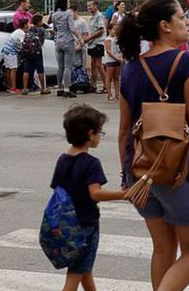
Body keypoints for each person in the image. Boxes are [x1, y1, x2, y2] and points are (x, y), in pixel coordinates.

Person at [117, 0, 189, 291]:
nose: (187, 22)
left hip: (141, 171)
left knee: (163, 249)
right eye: (181, 17)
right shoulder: (185, 61)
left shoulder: (130, 68)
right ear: (164, 26)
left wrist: (127, 176)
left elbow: (123, 131)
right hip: (180, 169)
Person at [51, 105, 126, 291]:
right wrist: (125, 194)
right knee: (74, 276)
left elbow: (57, 189)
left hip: (67, 225)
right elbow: (96, 193)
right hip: (85, 225)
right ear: (90, 134)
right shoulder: (91, 163)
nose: (100, 136)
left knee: (84, 269)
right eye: (100, 132)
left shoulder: (63, 159)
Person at [53, 0, 77, 98]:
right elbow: (72, 28)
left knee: (60, 67)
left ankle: (60, 88)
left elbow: (54, 28)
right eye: (68, 2)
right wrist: (79, 38)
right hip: (68, 41)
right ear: (64, 3)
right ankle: (67, 89)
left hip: (58, 41)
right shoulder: (68, 14)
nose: (69, 3)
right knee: (68, 67)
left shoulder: (54, 15)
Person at [21, 14, 51, 96]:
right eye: (41, 21)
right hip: (37, 52)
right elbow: (42, 41)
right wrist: (39, 46)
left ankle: (24, 89)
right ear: (39, 22)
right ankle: (43, 88)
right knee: (40, 70)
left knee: (26, 70)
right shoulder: (41, 30)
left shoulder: (29, 28)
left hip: (28, 52)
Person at [85, 0, 109, 94]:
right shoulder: (93, 17)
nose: (89, 8)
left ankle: (106, 86)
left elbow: (101, 30)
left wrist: (90, 37)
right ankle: (93, 85)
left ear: (95, 6)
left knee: (99, 65)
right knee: (93, 64)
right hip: (92, 44)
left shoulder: (99, 16)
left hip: (98, 43)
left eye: (90, 5)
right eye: (87, 6)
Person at [1, 18, 27, 94]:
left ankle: (9, 87)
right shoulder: (22, 33)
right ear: (25, 25)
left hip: (6, 50)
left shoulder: (17, 31)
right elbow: (22, 44)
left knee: (8, 68)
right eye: (28, 24)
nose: (29, 25)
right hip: (11, 52)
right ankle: (13, 88)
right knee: (13, 69)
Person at [104, 26, 122, 100]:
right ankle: (109, 94)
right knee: (109, 77)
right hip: (111, 60)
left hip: (117, 59)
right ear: (109, 30)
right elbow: (108, 51)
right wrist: (116, 58)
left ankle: (117, 94)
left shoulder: (116, 39)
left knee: (116, 77)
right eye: (114, 30)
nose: (115, 31)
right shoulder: (108, 39)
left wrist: (120, 57)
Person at [71, 4, 88, 68]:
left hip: (80, 47)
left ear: (76, 11)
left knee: (81, 66)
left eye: (71, 12)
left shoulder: (82, 21)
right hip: (72, 47)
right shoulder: (69, 22)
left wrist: (80, 45)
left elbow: (86, 34)